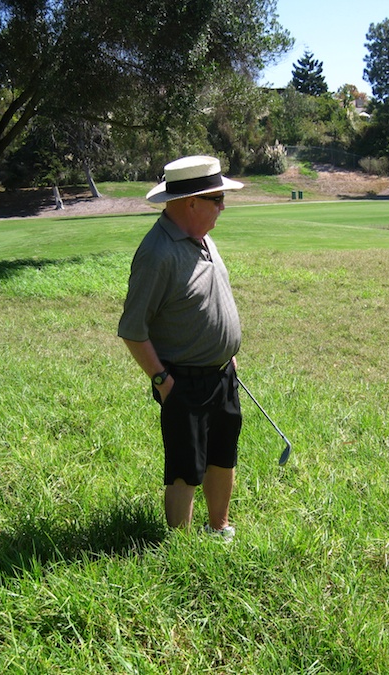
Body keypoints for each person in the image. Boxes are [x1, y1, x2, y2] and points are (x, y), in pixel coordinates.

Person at [118, 155, 244, 540]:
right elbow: (132, 329)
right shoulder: (157, 254)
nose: (223, 206)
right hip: (183, 381)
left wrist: (227, 353)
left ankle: (218, 528)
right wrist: (163, 381)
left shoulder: (202, 237)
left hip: (223, 374)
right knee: (185, 468)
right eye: (217, 198)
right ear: (192, 202)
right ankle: (182, 548)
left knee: (222, 456)